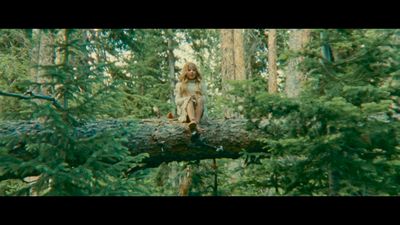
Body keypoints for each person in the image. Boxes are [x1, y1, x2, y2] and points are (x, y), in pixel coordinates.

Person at [174, 62, 207, 132]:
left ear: (196, 72)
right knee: (189, 100)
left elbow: (205, 99)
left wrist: (197, 97)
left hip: (198, 112)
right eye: (189, 70)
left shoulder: (200, 84)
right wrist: (187, 98)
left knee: (200, 99)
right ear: (185, 72)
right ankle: (193, 121)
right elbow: (177, 101)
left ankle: (196, 123)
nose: (192, 72)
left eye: (194, 70)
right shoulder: (180, 85)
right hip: (185, 113)